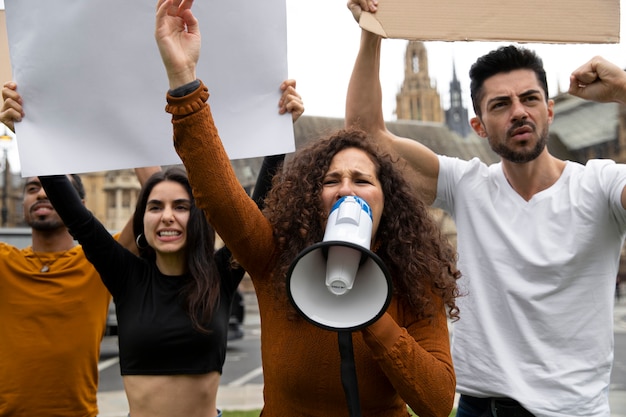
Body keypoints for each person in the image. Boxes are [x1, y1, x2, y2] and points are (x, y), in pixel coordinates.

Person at [154, 1, 461, 416]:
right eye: (331, 180)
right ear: (309, 197)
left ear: (388, 199)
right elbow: (219, 194)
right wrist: (184, 82)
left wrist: (372, 315)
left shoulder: (413, 276)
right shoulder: (273, 257)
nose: (346, 190)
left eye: (362, 180)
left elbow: (438, 403)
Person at [345, 1, 626, 416]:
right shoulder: (467, 185)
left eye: (530, 98)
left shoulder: (601, 184)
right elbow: (366, 135)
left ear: (549, 109)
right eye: (500, 105)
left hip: (575, 410)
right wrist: (372, 29)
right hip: (482, 408)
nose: (518, 112)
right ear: (477, 125)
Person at [37, 87, 302, 417]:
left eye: (180, 206)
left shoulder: (221, 273)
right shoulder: (126, 276)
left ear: (197, 217)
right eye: (154, 207)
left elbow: (255, 209)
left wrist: (280, 132)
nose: (167, 216)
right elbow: (76, 215)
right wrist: (31, 135)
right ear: (142, 220)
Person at [0, 82, 159, 416]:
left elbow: (154, 191)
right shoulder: (5, 262)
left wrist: (120, 117)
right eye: (32, 187)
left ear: (80, 204)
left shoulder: (100, 263)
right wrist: (21, 130)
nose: (43, 193)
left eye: (57, 189)